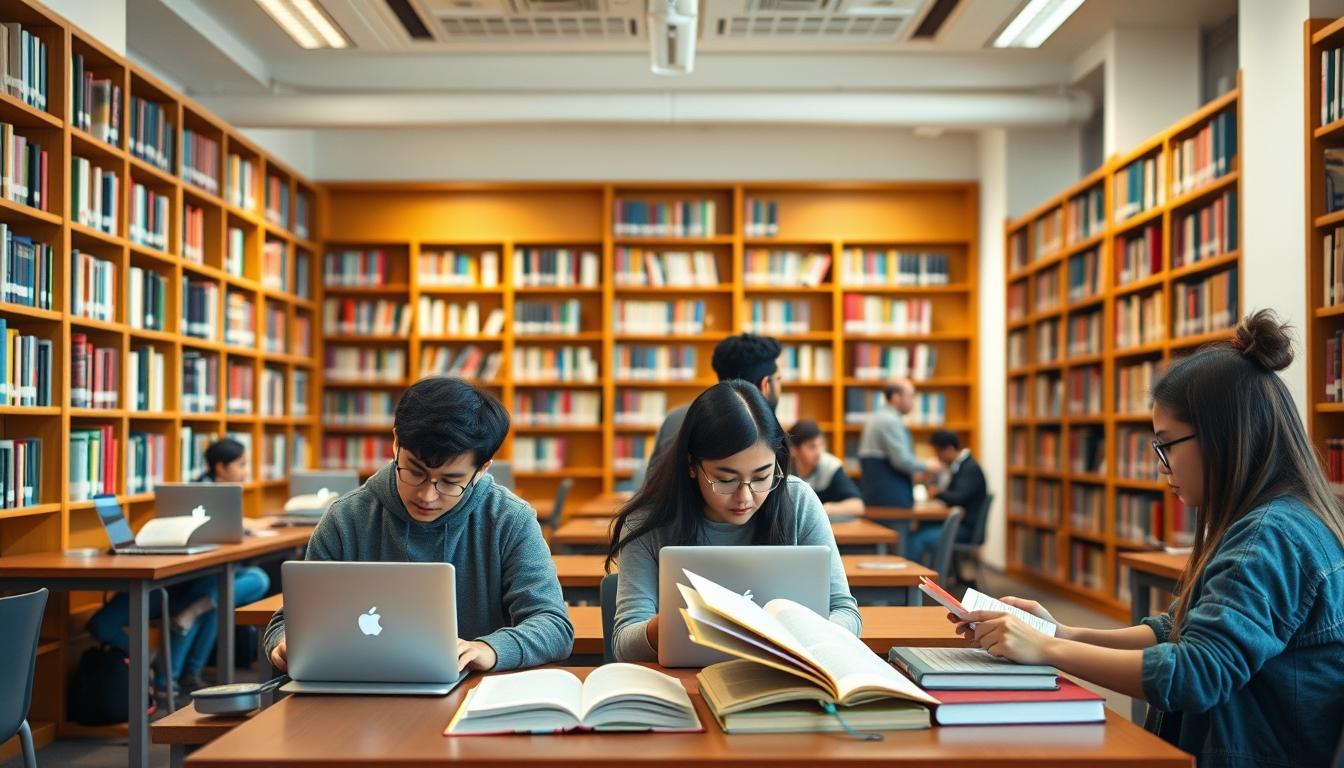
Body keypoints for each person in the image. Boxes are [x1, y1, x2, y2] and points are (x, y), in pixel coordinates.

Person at [951, 311, 1344, 767]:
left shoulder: (1269, 537)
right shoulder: (1274, 521)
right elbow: (1175, 631)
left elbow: (1197, 673)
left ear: (1223, 437)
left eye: (1167, 444)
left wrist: (1046, 650)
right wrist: (1062, 631)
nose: (1161, 465)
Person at [265, 377, 573, 674]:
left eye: (450, 482)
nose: (427, 495)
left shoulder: (509, 519)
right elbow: (287, 621)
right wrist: (284, 644)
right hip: (359, 692)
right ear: (396, 440)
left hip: (474, 696)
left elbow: (553, 625)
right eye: (415, 472)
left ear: (482, 469)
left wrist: (488, 649)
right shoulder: (346, 519)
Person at [607, 380, 860, 662]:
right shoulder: (648, 523)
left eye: (762, 477)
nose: (745, 497)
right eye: (726, 480)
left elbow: (845, 611)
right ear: (692, 465)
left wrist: (819, 638)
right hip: (685, 685)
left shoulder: (798, 501)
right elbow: (624, 643)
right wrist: (675, 622)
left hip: (784, 678)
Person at [86, 438, 270, 696]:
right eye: (242, 464)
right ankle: (162, 664)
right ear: (221, 467)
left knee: (249, 581)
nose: (246, 471)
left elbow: (231, 526)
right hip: (174, 581)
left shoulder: (219, 492)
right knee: (214, 596)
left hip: (192, 577)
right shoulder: (197, 493)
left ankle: (175, 670)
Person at [646, 333, 782, 471]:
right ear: (766, 384)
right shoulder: (770, 433)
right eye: (779, 379)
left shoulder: (674, 419)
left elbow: (653, 482)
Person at [905, 430, 987, 567]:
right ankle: (933, 575)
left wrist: (936, 492)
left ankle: (919, 584)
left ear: (949, 449)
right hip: (961, 524)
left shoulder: (969, 468)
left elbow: (958, 497)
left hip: (965, 529)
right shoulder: (961, 466)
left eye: (938, 453)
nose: (937, 458)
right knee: (922, 527)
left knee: (916, 539)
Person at [856, 379, 939, 510]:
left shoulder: (879, 417)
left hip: (879, 497)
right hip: (890, 500)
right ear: (896, 397)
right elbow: (901, 460)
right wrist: (927, 465)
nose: (913, 401)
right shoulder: (890, 420)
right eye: (910, 396)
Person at [786, 419, 864, 519]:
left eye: (821, 445)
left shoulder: (830, 466)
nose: (819, 452)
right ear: (794, 449)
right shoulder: (782, 470)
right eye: (812, 446)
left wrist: (824, 509)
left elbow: (857, 506)